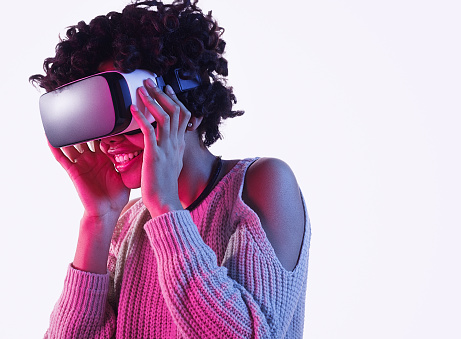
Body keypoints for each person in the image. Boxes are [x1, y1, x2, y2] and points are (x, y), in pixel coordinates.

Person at [30, 1, 311, 338]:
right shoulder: (128, 225)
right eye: (98, 127)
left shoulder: (261, 184)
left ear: (186, 108)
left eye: (126, 120)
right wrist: (98, 219)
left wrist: (165, 207)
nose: (108, 143)